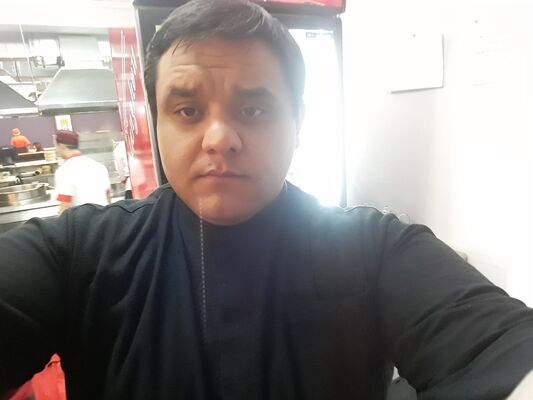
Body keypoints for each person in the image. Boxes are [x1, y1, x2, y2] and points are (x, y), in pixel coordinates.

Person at [0, 1, 533, 399]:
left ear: (297, 122)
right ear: (157, 122)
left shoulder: (374, 247)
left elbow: (500, 348)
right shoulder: (78, 251)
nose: (219, 138)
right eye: (187, 111)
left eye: (254, 110)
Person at [53, 130, 111, 214]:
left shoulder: (64, 171)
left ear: (62, 146)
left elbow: (65, 207)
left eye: (55, 145)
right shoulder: (99, 166)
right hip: (105, 217)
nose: (55, 149)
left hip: (83, 219)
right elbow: (108, 197)